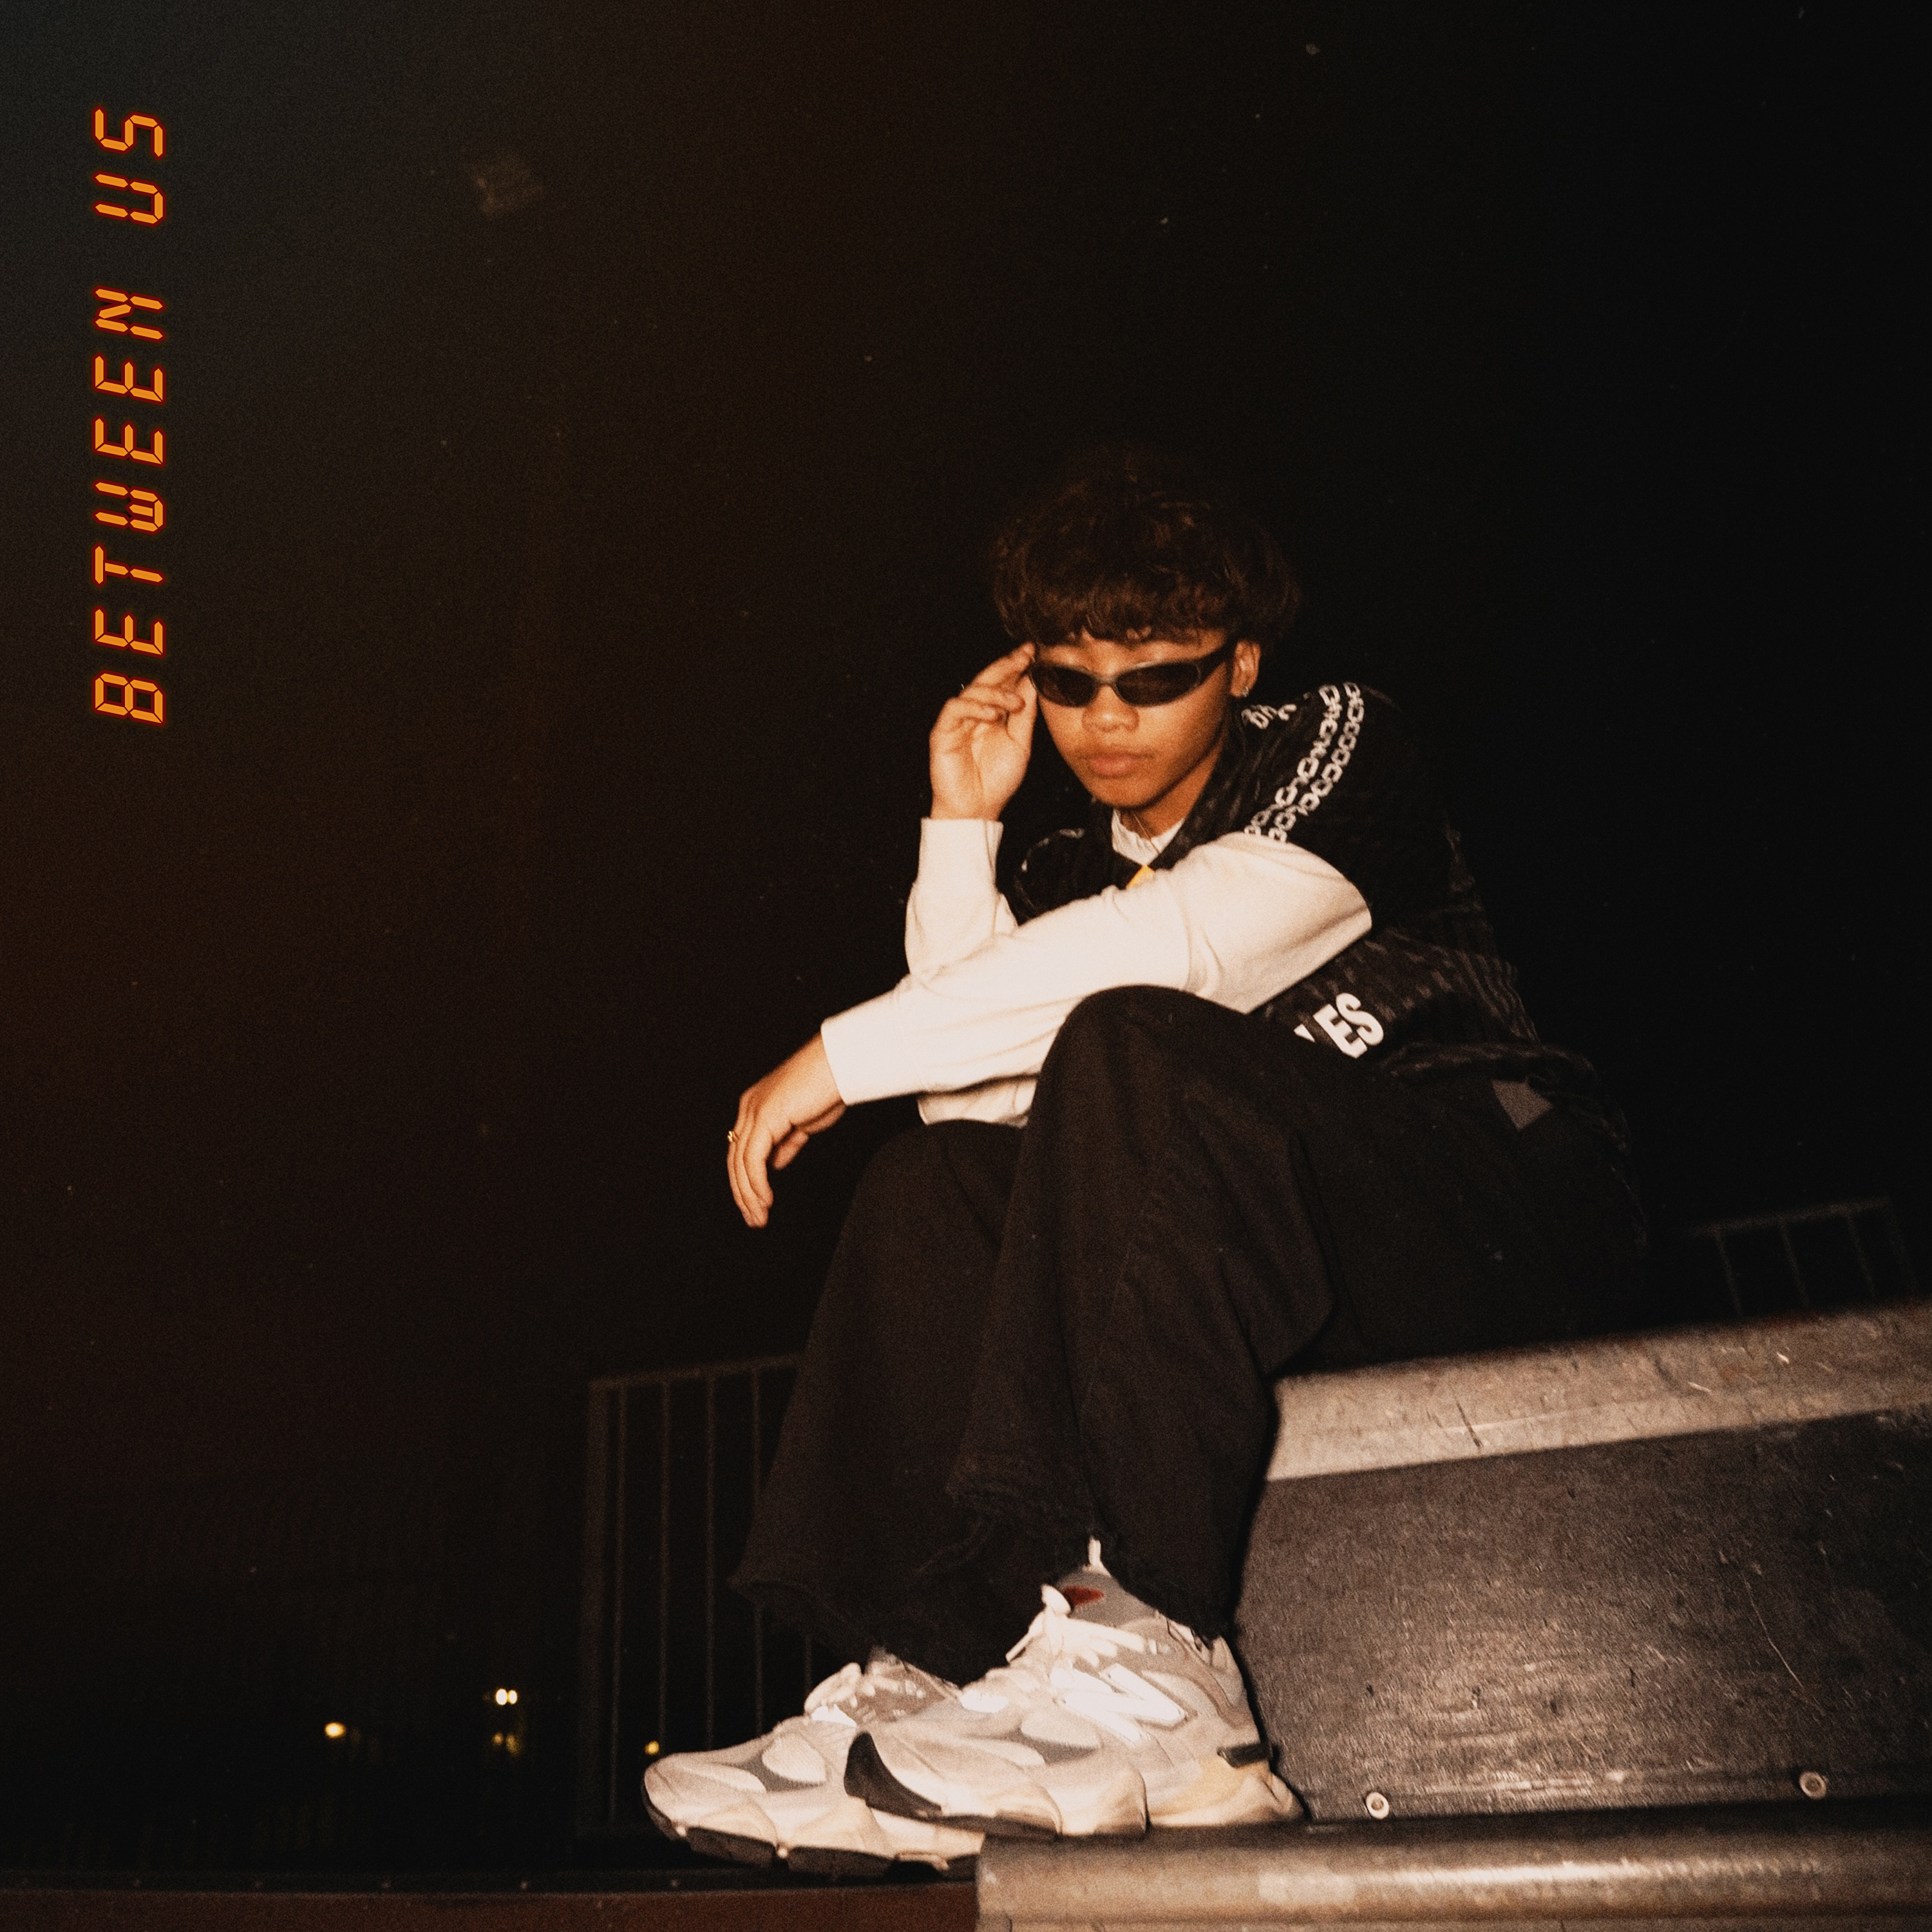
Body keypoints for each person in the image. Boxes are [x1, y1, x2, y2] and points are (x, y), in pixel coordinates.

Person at [644, 448, 1644, 1875]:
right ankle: (927, 1665)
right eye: (1070, 684)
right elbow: (979, 1120)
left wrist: (836, 1055)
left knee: (1134, 1036)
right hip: (1261, 1276)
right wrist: (961, 829)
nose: (1106, 721)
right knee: (934, 1186)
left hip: (1485, 1201)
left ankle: (1163, 1666)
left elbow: (1183, 947)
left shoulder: (1335, 748)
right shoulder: (1061, 871)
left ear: (1240, 666)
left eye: (1156, 679)